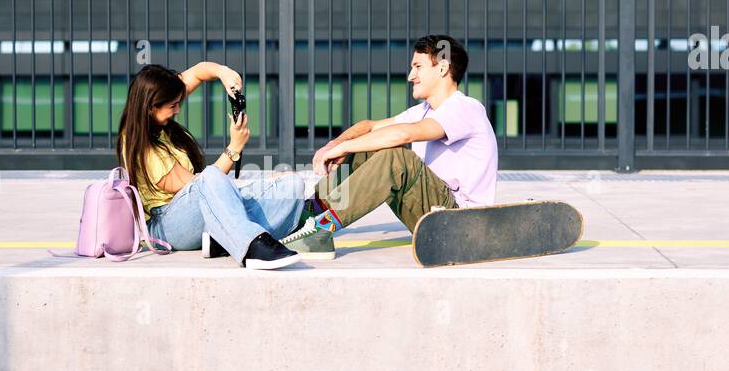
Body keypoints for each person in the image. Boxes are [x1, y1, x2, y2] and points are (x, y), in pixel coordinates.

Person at [281, 35, 498, 259]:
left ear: (442, 68)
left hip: (461, 225)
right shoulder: (424, 111)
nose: (410, 76)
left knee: (397, 159)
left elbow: (404, 133)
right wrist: (336, 144)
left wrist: (344, 148)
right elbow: (369, 127)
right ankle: (308, 215)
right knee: (366, 148)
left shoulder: (465, 108)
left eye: (418, 67)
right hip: (434, 217)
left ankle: (321, 230)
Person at [116, 62, 305, 269]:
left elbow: (197, 73)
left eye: (178, 102)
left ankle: (221, 241)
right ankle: (251, 247)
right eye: (173, 106)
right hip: (168, 225)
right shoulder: (140, 144)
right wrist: (234, 147)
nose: (178, 110)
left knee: (291, 186)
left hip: (203, 213)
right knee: (211, 176)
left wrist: (223, 74)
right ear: (151, 107)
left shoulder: (161, 111)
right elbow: (200, 185)